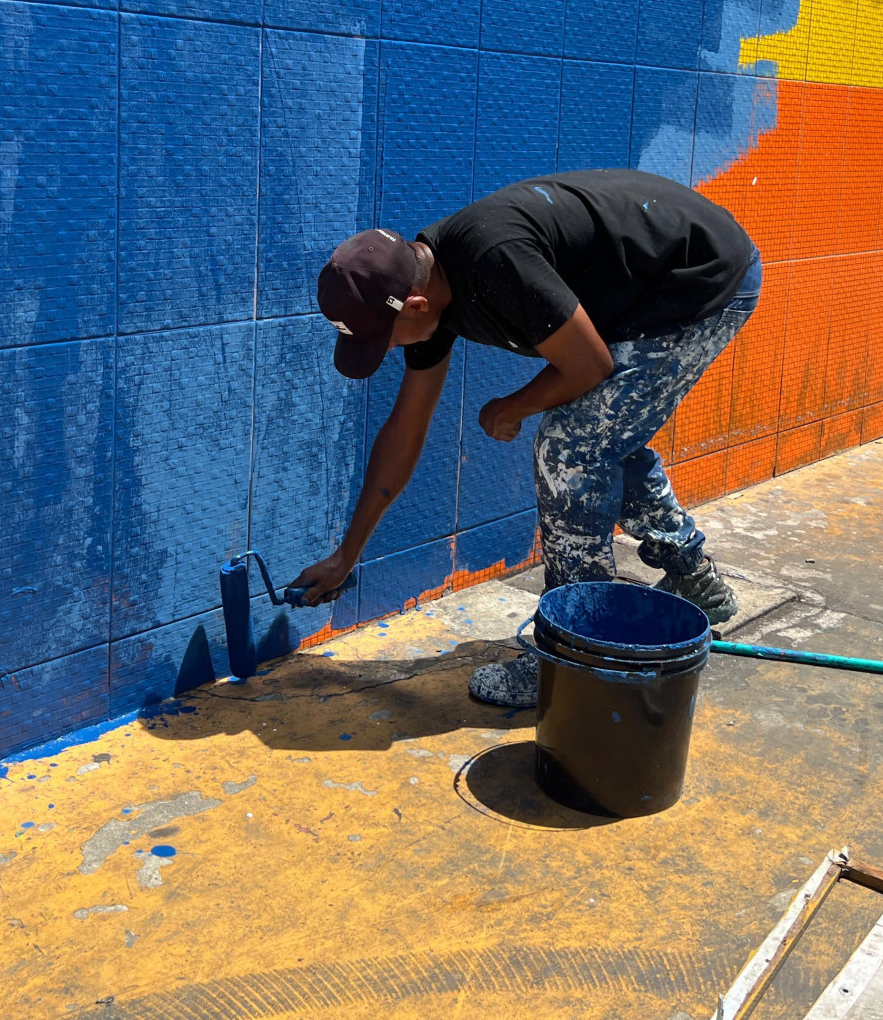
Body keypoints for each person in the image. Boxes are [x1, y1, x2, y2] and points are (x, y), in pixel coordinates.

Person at [291, 169, 762, 708]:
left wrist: (513, 406)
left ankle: (578, 654)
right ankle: (694, 578)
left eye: (384, 342)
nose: (390, 352)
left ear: (414, 306)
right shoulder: (427, 286)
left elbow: (588, 363)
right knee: (604, 438)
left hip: (701, 283)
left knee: (571, 449)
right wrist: (347, 554)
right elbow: (405, 430)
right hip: (648, 291)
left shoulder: (493, 262)